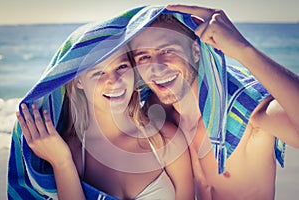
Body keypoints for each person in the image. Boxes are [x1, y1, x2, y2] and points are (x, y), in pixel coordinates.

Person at [129, 4, 299, 200]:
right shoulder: (158, 112)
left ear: (195, 51)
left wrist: (242, 49)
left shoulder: (246, 111)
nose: (156, 68)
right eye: (144, 57)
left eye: (168, 51)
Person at [15, 45, 194, 200]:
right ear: (78, 82)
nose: (114, 81)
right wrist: (62, 163)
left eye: (122, 67)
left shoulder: (165, 139)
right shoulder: (72, 152)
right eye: (98, 72)